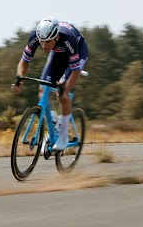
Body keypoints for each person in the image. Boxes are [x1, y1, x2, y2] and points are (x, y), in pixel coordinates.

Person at [11, 16, 89, 151]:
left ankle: (63, 136)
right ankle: (52, 125)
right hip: (58, 54)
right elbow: (24, 62)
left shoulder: (68, 38)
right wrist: (19, 79)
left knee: (62, 95)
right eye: (41, 42)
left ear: (56, 38)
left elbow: (75, 71)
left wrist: (66, 87)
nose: (43, 46)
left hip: (77, 52)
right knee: (43, 91)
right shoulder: (35, 36)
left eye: (47, 42)